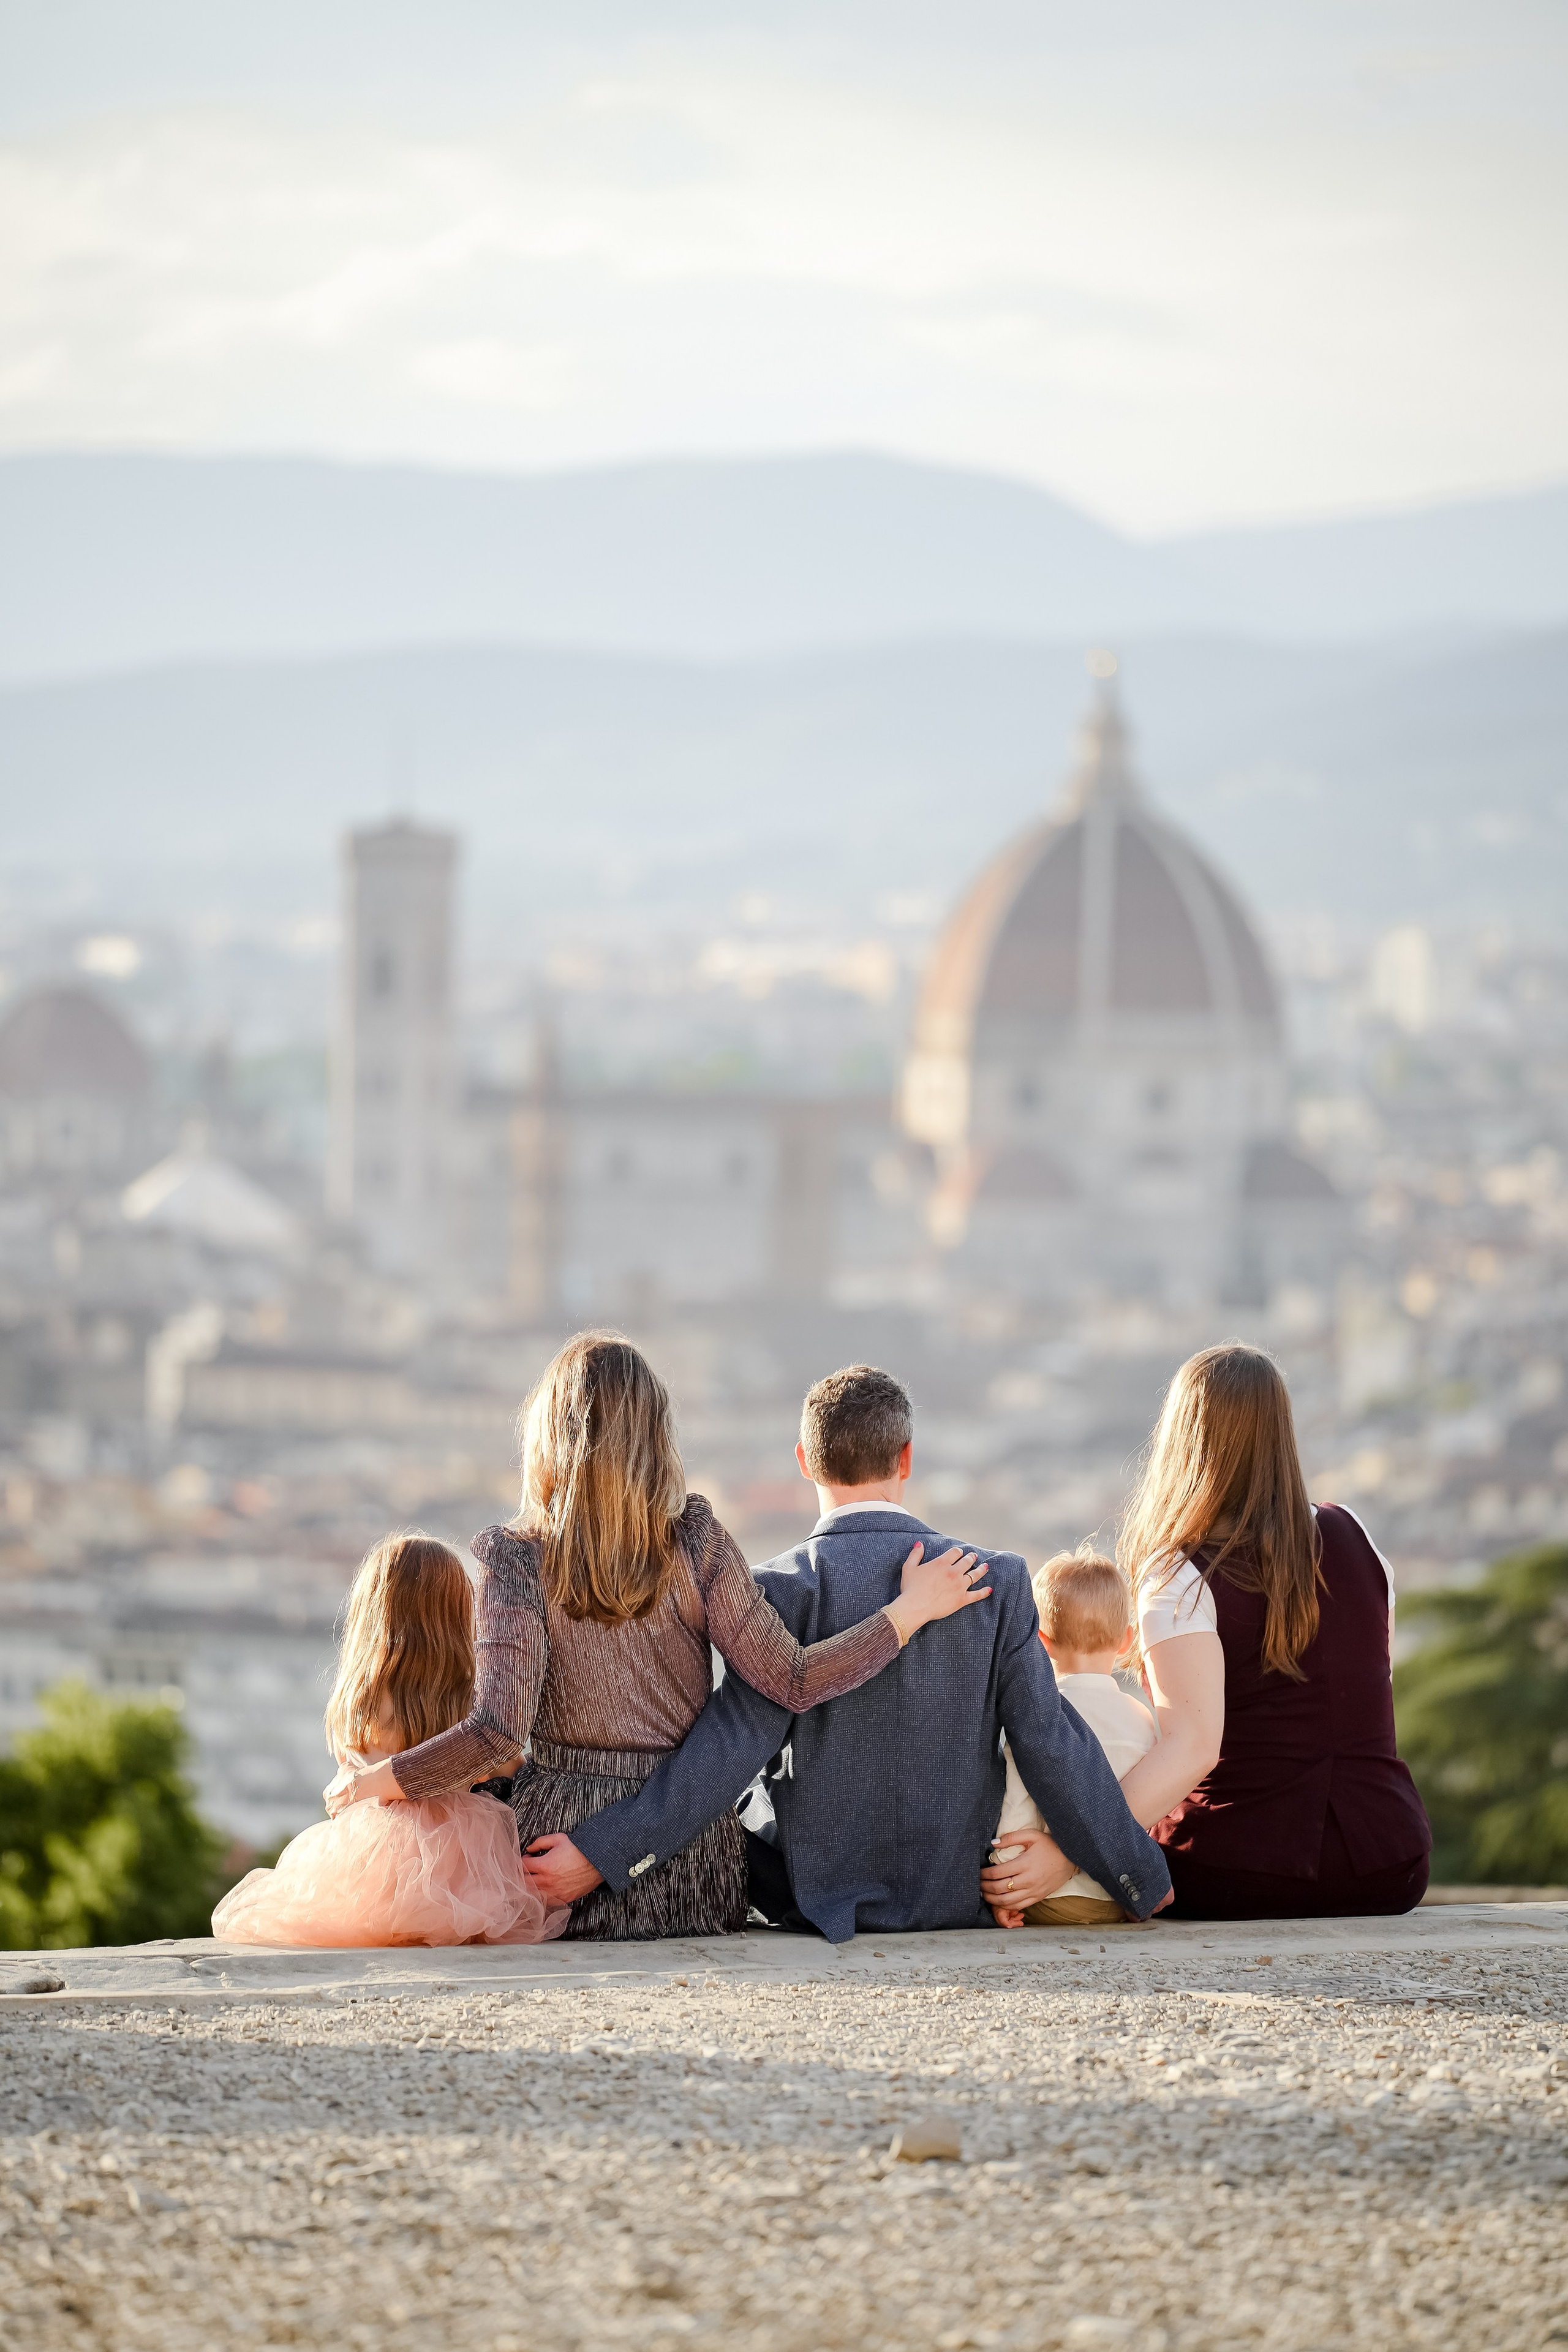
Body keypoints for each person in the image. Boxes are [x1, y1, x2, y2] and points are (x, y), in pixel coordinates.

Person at [325, 1333, 990, 1940]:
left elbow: (498, 1731)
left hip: (556, 1857)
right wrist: (903, 1616)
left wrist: (379, 1780)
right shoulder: (697, 1540)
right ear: (654, 1435)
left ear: (548, 1436)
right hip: (694, 1866)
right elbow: (793, 1680)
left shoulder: (517, 1557)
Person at [524, 1363, 1172, 1942]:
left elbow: (726, 1749)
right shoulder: (995, 1581)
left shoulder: (780, 1589)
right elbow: (1051, 1745)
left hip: (812, 1898)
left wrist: (604, 1854)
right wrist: (1140, 1875)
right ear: (907, 1458)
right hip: (951, 1892)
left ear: (805, 1461)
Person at [984, 1340, 1430, 1923]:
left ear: (1182, 1439)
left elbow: (1192, 1748)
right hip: (1392, 1866)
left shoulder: (1180, 1574)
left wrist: (1070, 1852)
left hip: (1243, 1870)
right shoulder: (1357, 1537)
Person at [214, 1532, 567, 1948]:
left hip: (374, 1865)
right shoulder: (470, 1702)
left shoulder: (356, 1699)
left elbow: (349, 1781)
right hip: (460, 1873)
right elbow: (502, 1763)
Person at [989, 1547, 1156, 1929]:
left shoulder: (1039, 1714)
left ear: (1041, 1641)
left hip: (1050, 1899)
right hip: (1119, 1897)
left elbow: (1016, 1805)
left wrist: (1008, 1884)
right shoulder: (1142, 1719)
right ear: (1126, 1640)